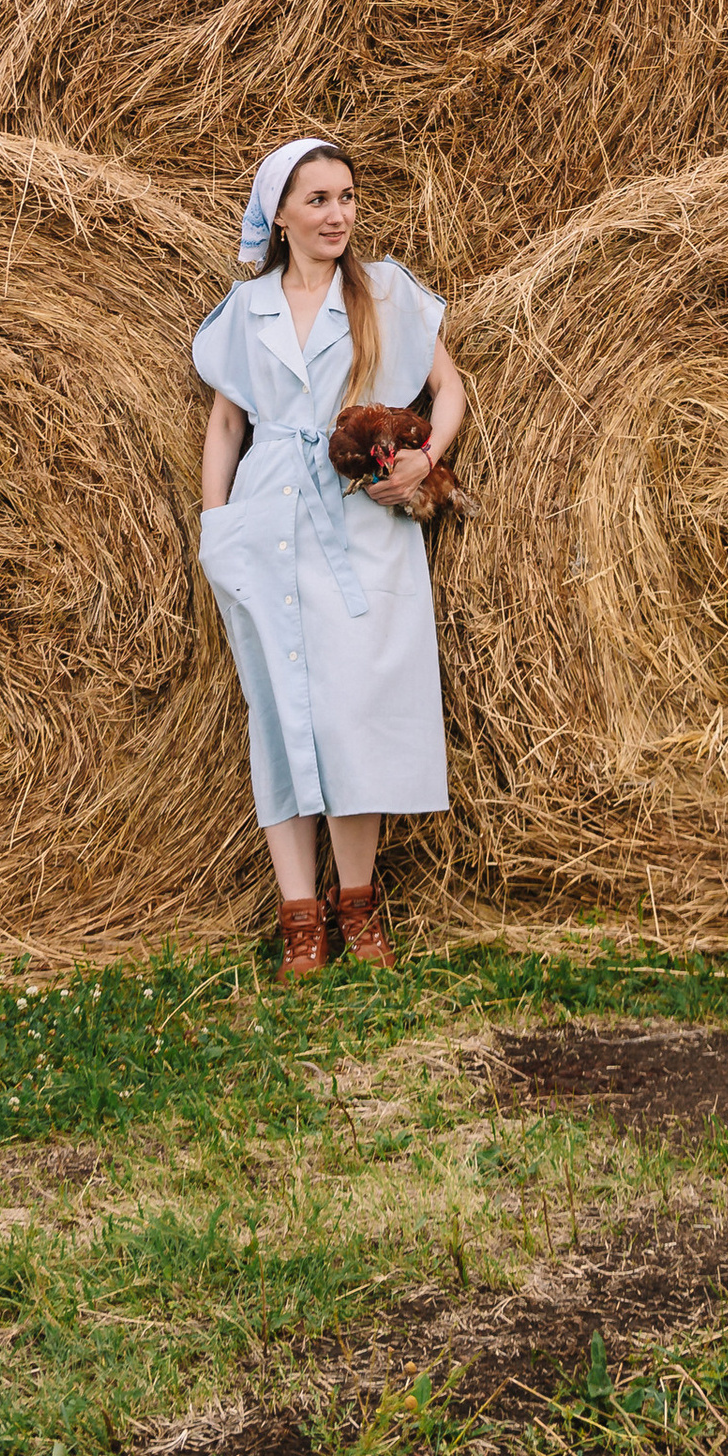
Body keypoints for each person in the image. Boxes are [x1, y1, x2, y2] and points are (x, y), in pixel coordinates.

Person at [192, 137, 465, 977]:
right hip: (268, 516)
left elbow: (447, 391)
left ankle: (359, 906)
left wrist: (425, 460)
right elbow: (228, 427)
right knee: (278, 715)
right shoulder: (247, 311)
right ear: (279, 214)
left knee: (356, 712)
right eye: (318, 200)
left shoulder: (384, 291)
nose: (338, 214)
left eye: (346, 197)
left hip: (360, 516)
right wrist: (216, 531)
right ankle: (300, 920)